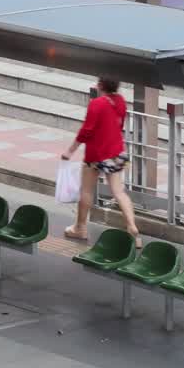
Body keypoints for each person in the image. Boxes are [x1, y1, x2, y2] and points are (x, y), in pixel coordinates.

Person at [62, 77, 141, 248]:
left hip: (96, 154)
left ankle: (80, 228)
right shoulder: (120, 101)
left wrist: (70, 150)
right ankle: (132, 227)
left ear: (100, 86)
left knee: (87, 191)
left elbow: (86, 131)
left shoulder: (96, 104)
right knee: (119, 191)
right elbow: (119, 125)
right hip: (116, 152)